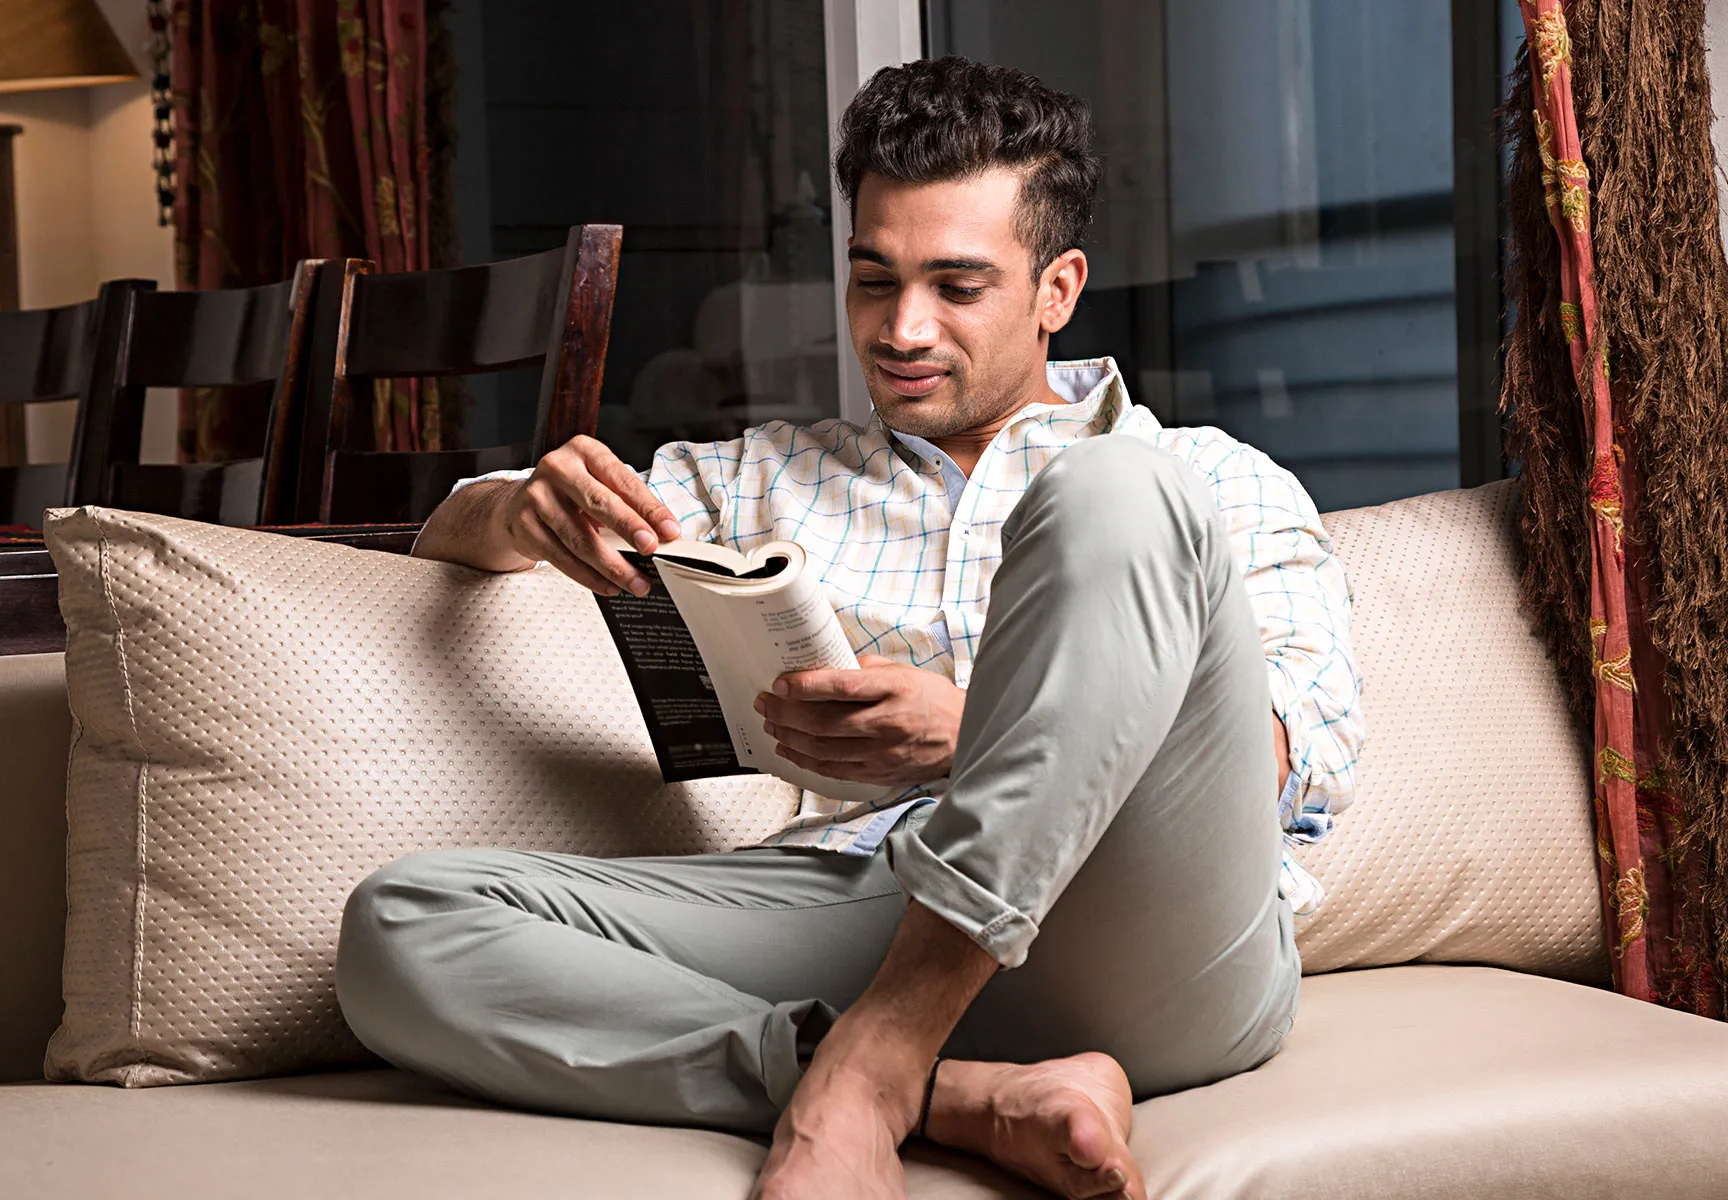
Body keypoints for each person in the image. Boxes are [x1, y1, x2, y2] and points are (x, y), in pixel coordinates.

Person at [336, 57, 1362, 1200]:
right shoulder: (770, 476)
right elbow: (453, 534)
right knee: (406, 922)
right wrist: (516, 509)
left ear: (1057, 290)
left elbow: (1287, 768)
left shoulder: (1210, 480)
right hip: (861, 905)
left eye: (958, 287)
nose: (902, 329)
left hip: (1143, 931)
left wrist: (978, 736)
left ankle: (877, 1064)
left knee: (1110, 494)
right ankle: (943, 1087)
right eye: (874, 280)